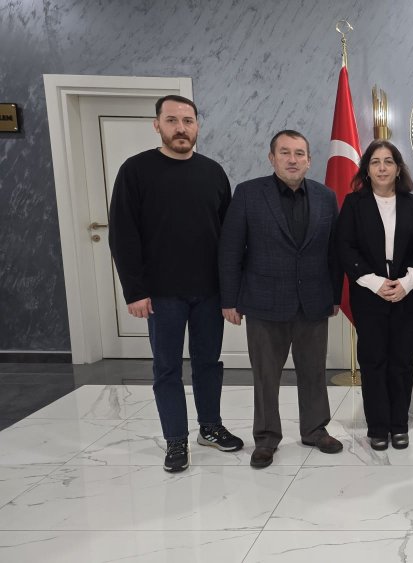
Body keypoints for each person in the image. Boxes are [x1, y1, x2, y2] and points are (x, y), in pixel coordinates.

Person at [109, 94, 243, 473]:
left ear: (197, 126)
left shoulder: (213, 172)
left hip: (209, 292)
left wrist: (230, 290)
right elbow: (122, 234)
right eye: (172, 120)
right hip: (161, 294)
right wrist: (135, 290)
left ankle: (210, 428)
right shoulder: (135, 171)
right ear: (157, 125)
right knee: (167, 368)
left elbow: (228, 238)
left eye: (188, 121)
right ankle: (175, 440)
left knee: (208, 363)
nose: (181, 128)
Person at [218, 130, 343, 469]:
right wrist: (229, 299)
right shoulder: (248, 194)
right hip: (263, 302)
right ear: (271, 158)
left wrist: (334, 295)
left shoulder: (325, 196)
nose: (292, 159)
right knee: (266, 376)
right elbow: (230, 249)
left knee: (314, 372)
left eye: (299, 153)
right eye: (285, 152)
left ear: (309, 160)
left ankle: (315, 430)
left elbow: (334, 252)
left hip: (313, 301)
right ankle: (266, 438)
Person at [336, 140, 413, 451]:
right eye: (375, 162)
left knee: (402, 362)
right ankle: (377, 427)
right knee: (373, 361)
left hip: (406, 295)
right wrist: (374, 282)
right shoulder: (353, 203)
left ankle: (399, 425)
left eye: (388, 161)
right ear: (367, 170)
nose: (382, 168)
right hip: (369, 294)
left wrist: (408, 282)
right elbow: (345, 247)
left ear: (398, 169)